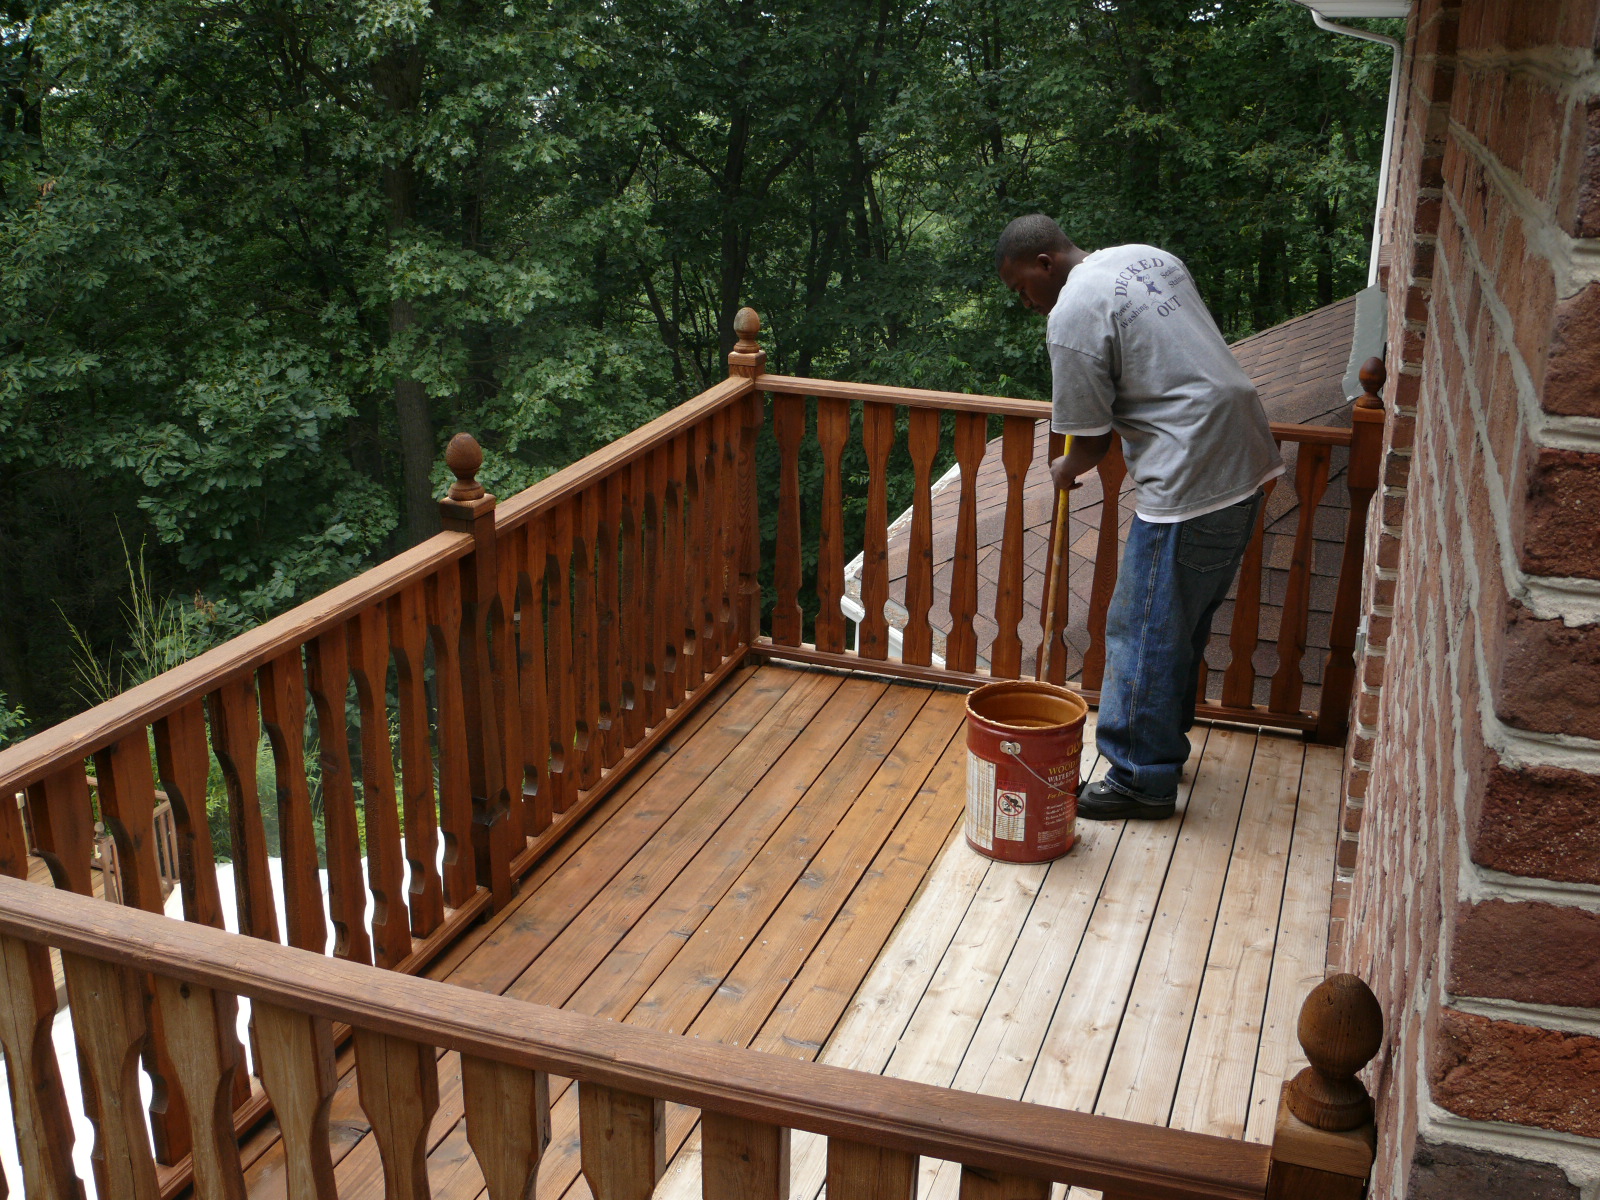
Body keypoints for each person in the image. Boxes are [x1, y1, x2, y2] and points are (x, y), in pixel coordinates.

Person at [995, 214, 1282, 820]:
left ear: (1044, 263)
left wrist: (1063, 469)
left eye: (1022, 288)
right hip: (1247, 457)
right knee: (1181, 621)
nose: (1027, 303)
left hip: (1192, 473)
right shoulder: (1146, 256)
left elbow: (1091, 442)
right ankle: (1161, 750)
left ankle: (1137, 778)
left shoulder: (1071, 315)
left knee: (1141, 626)